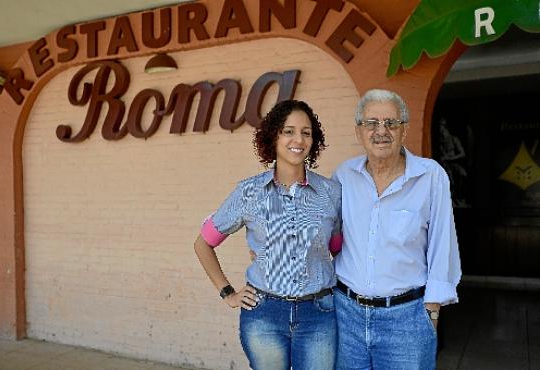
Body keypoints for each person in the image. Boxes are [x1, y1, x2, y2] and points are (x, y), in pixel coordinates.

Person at [194, 100, 342, 370]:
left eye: (306, 132)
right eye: (289, 131)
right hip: (264, 315)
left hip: (319, 315)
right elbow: (203, 243)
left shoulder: (330, 193)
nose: (298, 139)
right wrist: (227, 292)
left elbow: (337, 249)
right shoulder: (249, 192)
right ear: (273, 136)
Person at [332, 89, 461, 370]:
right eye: (372, 123)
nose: (381, 131)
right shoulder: (344, 176)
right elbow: (327, 235)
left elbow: (443, 244)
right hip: (346, 315)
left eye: (391, 123)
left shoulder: (430, 175)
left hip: (407, 319)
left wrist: (433, 311)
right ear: (359, 132)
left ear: (404, 130)